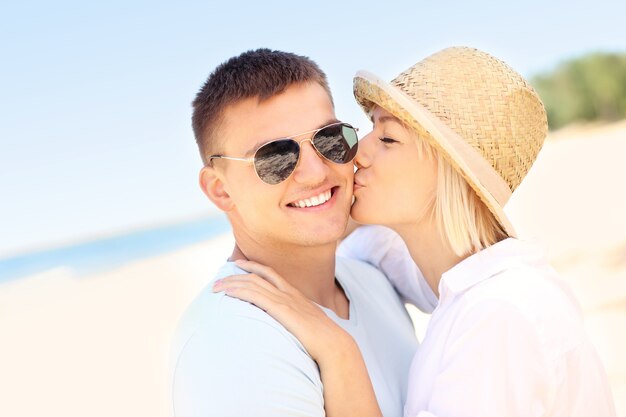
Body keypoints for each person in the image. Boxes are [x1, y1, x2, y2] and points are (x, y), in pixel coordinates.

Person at [214, 47, 617, 416]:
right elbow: (350, 243)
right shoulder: (453, 273)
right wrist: (320, 191)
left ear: (447, 175)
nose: (359, 152)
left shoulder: (498, 319)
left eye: (388, 138)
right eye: (369, 129)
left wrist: (338, 350)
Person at [170, 48, 418, 417]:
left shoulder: (372, 281)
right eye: (275, 158)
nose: (316, 173)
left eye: (330, 139)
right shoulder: (232, 341)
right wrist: (340, 353)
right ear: (220, 190)